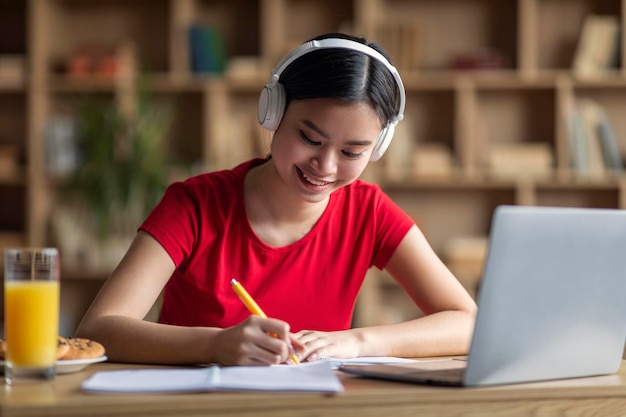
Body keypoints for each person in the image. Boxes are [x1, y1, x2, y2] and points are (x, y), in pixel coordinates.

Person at [75, 33, 477, 366]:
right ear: (274, 111)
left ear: (378, 147)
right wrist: (213, 346)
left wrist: (358, 342)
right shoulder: (194, 206)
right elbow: (98, 328)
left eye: (352, 152)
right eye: (310, 138)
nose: (325, 165)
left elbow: (468, 322)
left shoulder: (368, 211)